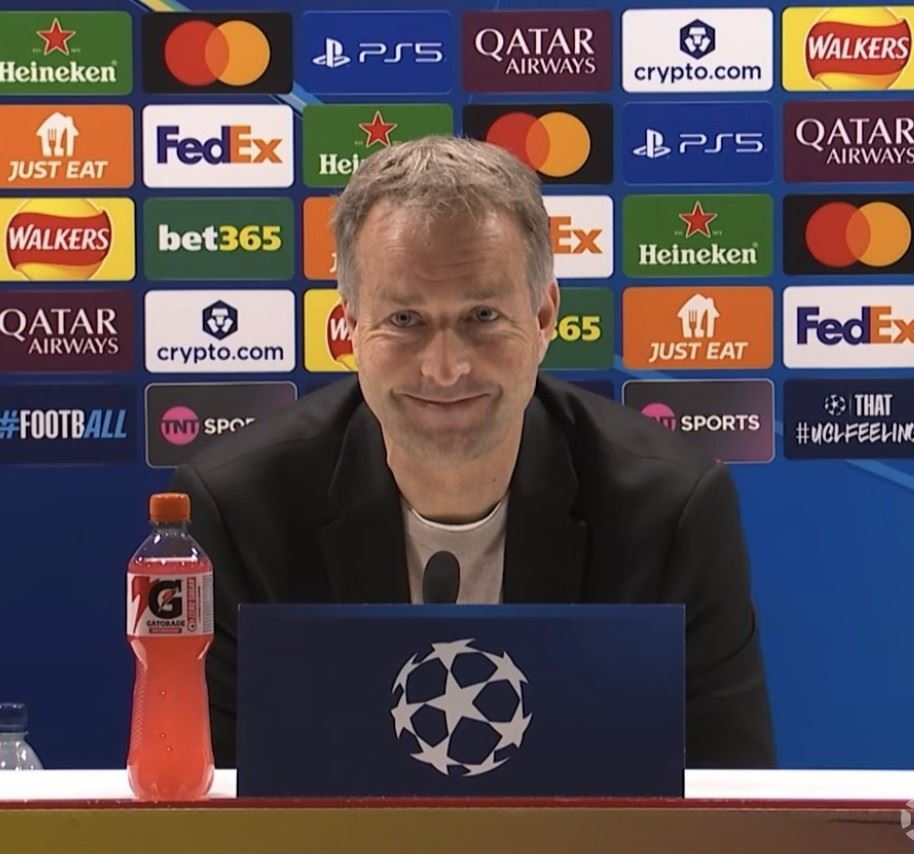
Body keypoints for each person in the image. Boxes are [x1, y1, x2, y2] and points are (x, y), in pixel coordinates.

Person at [171, 135, 775, 770]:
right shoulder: (238, 511)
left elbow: (731, 792)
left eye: (482, 316)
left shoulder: (671, 510)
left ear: (543, 317)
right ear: (350, 326)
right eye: (405, 320)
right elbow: (210, 796)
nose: (445, 368)